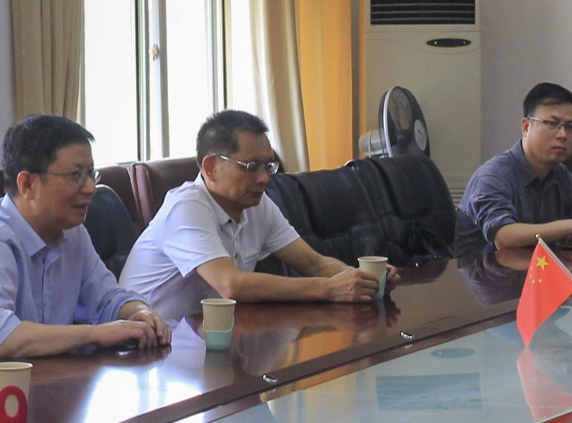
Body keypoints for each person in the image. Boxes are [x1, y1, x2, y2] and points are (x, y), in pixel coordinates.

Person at [0, 115, 173, 376]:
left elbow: (107, 299)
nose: (90, 188)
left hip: (39, 383)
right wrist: (96, 334)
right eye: (76, 175)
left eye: (91, 174)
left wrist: (140, 312)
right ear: (27, 184)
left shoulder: (72, 233)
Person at [122, 109, 381, 320]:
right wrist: (328, 289)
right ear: (211, 167)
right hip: (145, 348)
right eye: (251, 167)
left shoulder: (257, 204)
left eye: (268, 166)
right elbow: (231, 285)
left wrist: (360, 280)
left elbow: (315, 264)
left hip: (207, 337)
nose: (264, 178)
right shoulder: (186, 208)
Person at [452, 82, 572, 257]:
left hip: (537, 270)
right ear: (526, 127)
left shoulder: (559, 174)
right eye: (552, 124)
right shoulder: (493, 175)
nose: (563, 135)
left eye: (570, 127)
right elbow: (504, 238)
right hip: (485, 272)